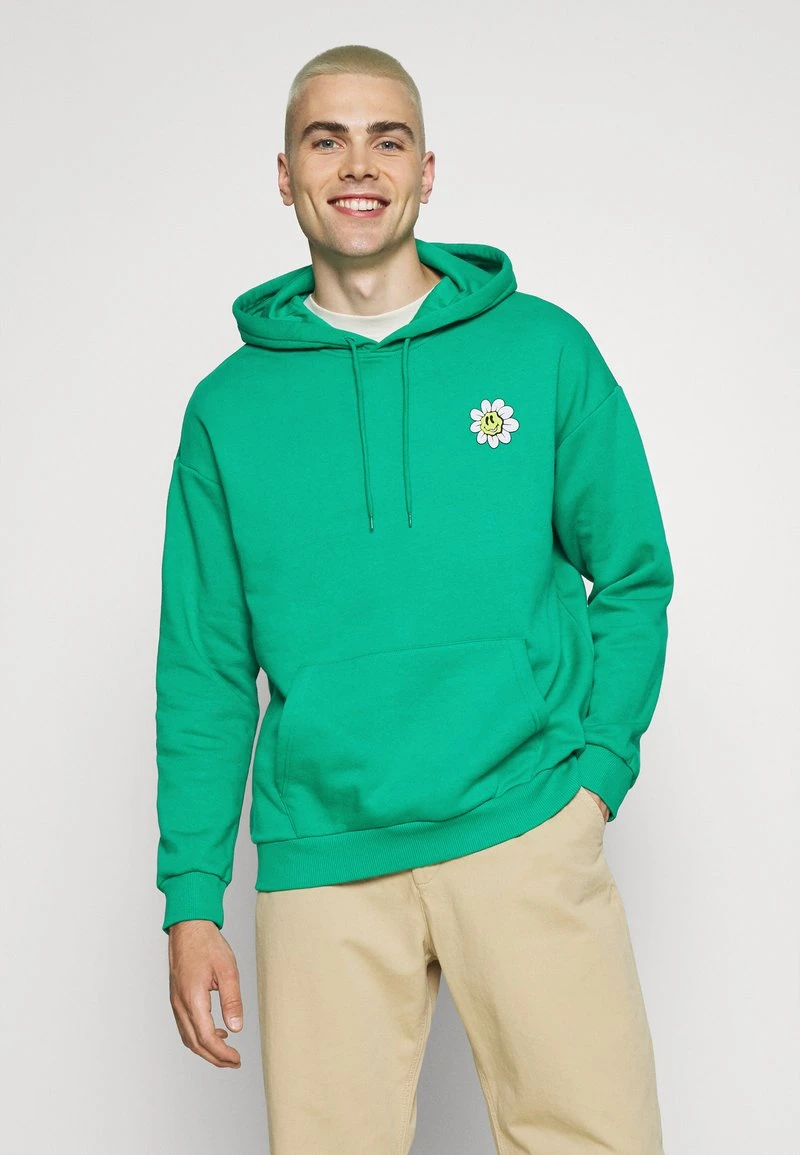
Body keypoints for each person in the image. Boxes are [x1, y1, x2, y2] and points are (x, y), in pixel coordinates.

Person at [155, 42, 674, 1155]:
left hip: (524, 825)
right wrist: (192, 897)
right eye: (326, 139)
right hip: (323, 860)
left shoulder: (541, 350)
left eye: (386, 140)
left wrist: (595, 776)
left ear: (426, 172)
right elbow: (204, 667)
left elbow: (632, 572)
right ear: (285, 174)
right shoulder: (227, 409)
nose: (358, 165)